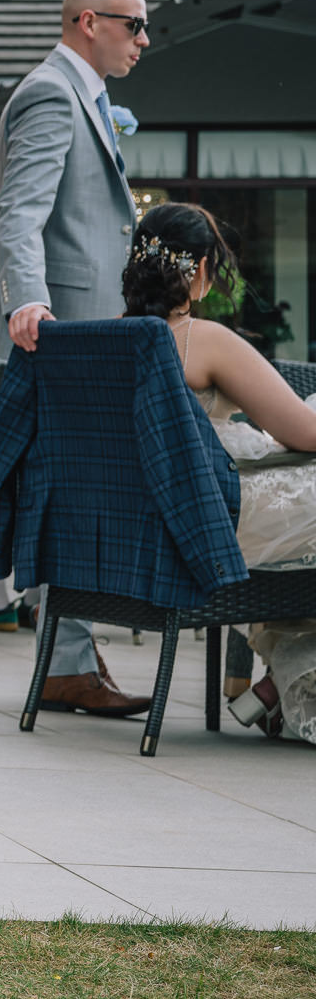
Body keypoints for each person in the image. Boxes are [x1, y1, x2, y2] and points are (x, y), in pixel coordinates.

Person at [0, 0, 154, 719]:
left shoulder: (83, 96)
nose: (144, 41)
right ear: (90, 22)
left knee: (77, 492)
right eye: (134, 25)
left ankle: (70, 657)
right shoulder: (53, 92)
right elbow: (20, 212)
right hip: (60, 335)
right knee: (71, 493)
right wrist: (29, 298)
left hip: (87, 329)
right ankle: (66, 663)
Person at [123, 204, 316, 744]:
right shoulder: (202, 340)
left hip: (141, 525)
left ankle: (282, 680)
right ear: (201, 270)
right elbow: (304, 433)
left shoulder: (108, 339)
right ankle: (286, 676)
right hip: (209, 524)